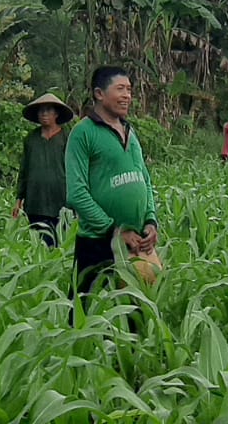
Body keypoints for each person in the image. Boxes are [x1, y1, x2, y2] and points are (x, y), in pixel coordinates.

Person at [66, 66, 158, 298]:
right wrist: (115, 231)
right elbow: (77, 193)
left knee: (135, 318)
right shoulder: (83, 133)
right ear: (99, 93)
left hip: (136, 243)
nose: (127, 95)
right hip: (97, 244)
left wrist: (150, 221)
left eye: (129, 90)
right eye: (120, 89)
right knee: (87, 314)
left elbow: (144, 180)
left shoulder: (130, 131)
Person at [13, 92, 74, 247]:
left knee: (60, 243)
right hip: (35, 201)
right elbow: (24, 170)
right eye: (41, 111)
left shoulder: (68, 138)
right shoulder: (31, 139)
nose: (44, 114)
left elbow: (76, 169)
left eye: (48, 110)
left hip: (61, 202)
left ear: (56, 114)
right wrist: (18, 199)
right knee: (39, 245)